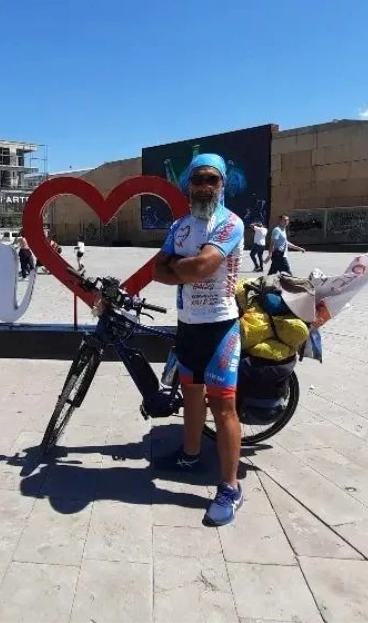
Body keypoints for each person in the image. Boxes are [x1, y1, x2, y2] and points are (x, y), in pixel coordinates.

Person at [151, 152, 246, 526]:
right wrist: (180, 270)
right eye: (198, 179)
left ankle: (230, 488)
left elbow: (204, 265)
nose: (204, 186)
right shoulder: (180, 226)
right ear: (188, 184)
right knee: (190, 393)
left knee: (223, 407)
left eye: (212, 179)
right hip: (187, 325)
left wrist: (178, 268)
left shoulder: (230, 223)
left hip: (220, 327)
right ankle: (190, 455)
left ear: (222, 184)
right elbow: (156, 270)